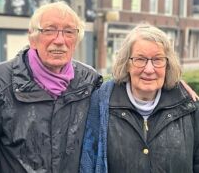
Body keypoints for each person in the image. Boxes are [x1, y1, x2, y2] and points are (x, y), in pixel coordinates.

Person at [0, 2, 103, 172]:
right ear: (32, 39)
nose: (60, 40)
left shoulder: (90, 82)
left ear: (76, 40)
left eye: (68, 32)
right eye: (49, 30)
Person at [80, 24, 199, 173]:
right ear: (127, 64)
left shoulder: (188, 107)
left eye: (158, 59)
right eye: (140, 59)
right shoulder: (101, 104)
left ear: (167, 64)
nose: (149, 69)